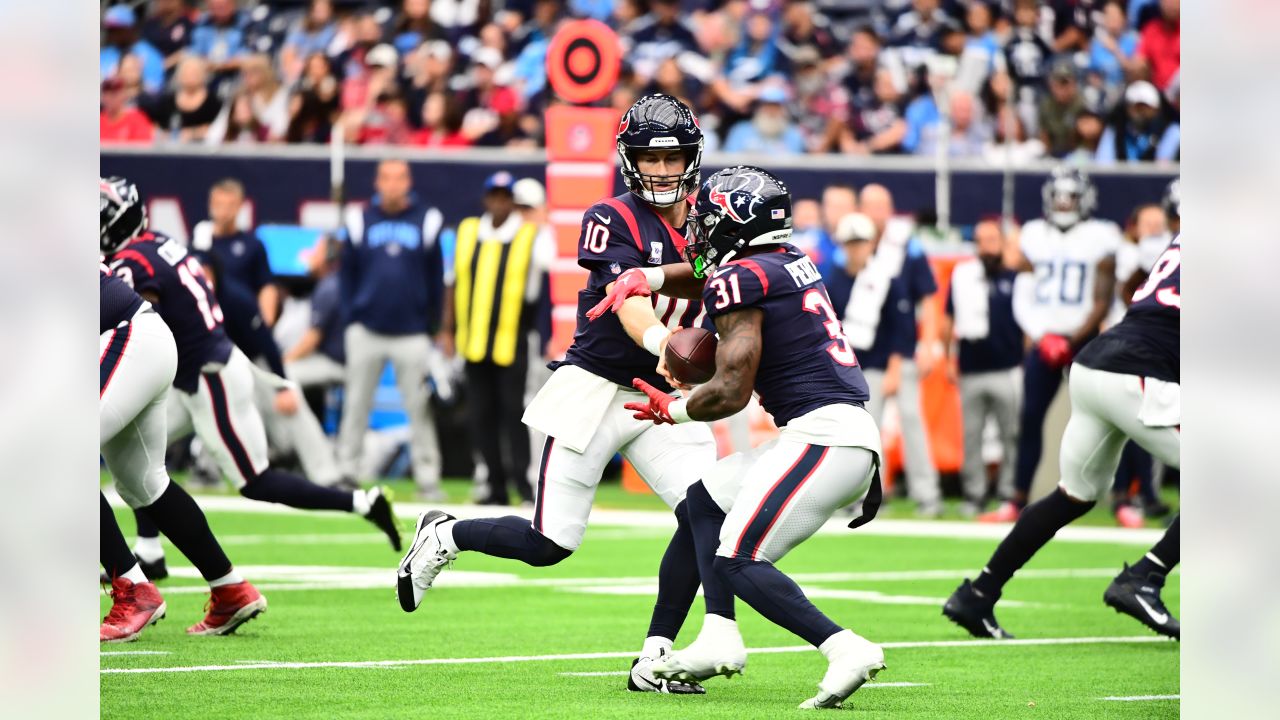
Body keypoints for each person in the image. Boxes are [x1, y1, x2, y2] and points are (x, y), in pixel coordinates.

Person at [396, 94, 718, 696]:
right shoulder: (612, 217)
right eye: (649, 157)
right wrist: (666, 344)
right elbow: (631, 303)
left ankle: (657, 656)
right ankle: (446, 533)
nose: (663, 170)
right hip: (597, 391)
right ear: (629, 160)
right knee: (549, 545)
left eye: (673, 157)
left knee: (708, 512)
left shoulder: (713, 218)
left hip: (662, 402)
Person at [619, 166, 886, 709]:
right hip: (832, 430)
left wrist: (674, 408)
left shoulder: (740, 277)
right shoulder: (787, 261)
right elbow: (708, 276)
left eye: (710, 218)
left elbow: (734, 390)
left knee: (737, 560)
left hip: (823, 437)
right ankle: (719, 632)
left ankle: (844, 647)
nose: (700, 226)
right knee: (702, 503)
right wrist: (649, 279)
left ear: (735, 224)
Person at [100, 177, 402, 574]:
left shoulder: (130, 263)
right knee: (134, 454)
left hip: (210, 378)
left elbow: (133, 318)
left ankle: (362, 503)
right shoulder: (159, 243)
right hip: (190, 375)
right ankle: (150, 549)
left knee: (255, 482)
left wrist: (280, 376)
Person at [945, 236, 1180, 640]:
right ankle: (1146, 577)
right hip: (1139, 370)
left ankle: (979, 594)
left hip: (1094, 364)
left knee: (1073, 494)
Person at [98, 259, 264, 640]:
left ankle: (135, 590)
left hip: (125, 338)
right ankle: (229, 587)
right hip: (142, 337)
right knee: (143, 482)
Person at [981, 166, 1120, 522]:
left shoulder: (1101, 235)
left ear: (1085, 199)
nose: (1063, 203)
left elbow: (1102, 298)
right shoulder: (1032, 234)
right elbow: (1023, 292)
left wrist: (1072, 337)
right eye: (1058, 196)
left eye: (1070, 196)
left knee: (1112, 417)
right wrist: (1044, 335)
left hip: (1083, 339)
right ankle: (1016, 498)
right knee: (1028, 418)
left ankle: (1123, 499)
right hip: (1045, 339)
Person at [338, 159, 448, 501]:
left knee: (419, 407)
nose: (393, 184)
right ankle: (346, 472)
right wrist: (351, 318)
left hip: (412, 332)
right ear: (377, 182)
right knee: (355, 403)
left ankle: (427, 479)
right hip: (366, 329)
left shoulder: (428, 220)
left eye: (399, 178)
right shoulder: (358, 220)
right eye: (386, 178)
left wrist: (435, 327)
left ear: (408, 182)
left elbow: (437, 279)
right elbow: (345, 275)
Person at [449, 171, 555, 506]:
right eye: (493, 195)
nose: (498, 203)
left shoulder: (530, 235)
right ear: (486, 198)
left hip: (513, 340)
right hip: (473, 340)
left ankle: (524, 487)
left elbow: (548, 260)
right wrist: (446, 330)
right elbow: (451, 281)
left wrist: (540, 220)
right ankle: (493, 486)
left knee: (514, 414)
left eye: (505, 197)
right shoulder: (468, 231)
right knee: (481, 415)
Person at [854, 184, 942, 517]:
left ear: (890, 210)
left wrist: (930, 343)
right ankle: (871, 495)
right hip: (864, 355)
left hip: (901, 350)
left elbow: (929, 296)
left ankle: (927, 495)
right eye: (870, 206)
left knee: (912, 422)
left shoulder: (906, 246)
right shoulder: (852, 243)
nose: (876, 213)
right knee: (866, 429)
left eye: (881, 206)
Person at [941, 220, 1024, 516]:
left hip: (1007, 366)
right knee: (972, 435)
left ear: (1002, 243)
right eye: (981, 240)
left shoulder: (1016, 277)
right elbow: (948, 318)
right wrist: (949, 357)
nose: (986, 245)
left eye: (992, 239)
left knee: (1011, 434)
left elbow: (1027, 322)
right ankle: (974, 494)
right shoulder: (963, 276)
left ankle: (1008, 492)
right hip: (971, 368)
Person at [191, 178, 280, 326]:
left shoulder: (253, 245)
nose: (224, 210)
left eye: (230, 205)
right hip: (209, 324)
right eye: (218, 204)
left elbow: (266, 286)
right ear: (210, 204)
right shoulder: (198, 245)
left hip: (242, 322)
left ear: (240, 206)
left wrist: (265, 325)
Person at [285, 233, 347, 421]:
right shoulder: (337, 282)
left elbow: (311, 340)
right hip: (339, 359)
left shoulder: (329, 287)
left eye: (316, 250)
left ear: (329, 256)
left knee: (284, 376)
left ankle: (298, 438)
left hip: (337, 363)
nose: (309, 254)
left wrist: (282, 362)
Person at [100, 76, 155, 145]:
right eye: (107, 93)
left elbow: (143, 150)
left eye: (115, 93)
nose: (110, 97)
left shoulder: (137, 119)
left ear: (124, 95)